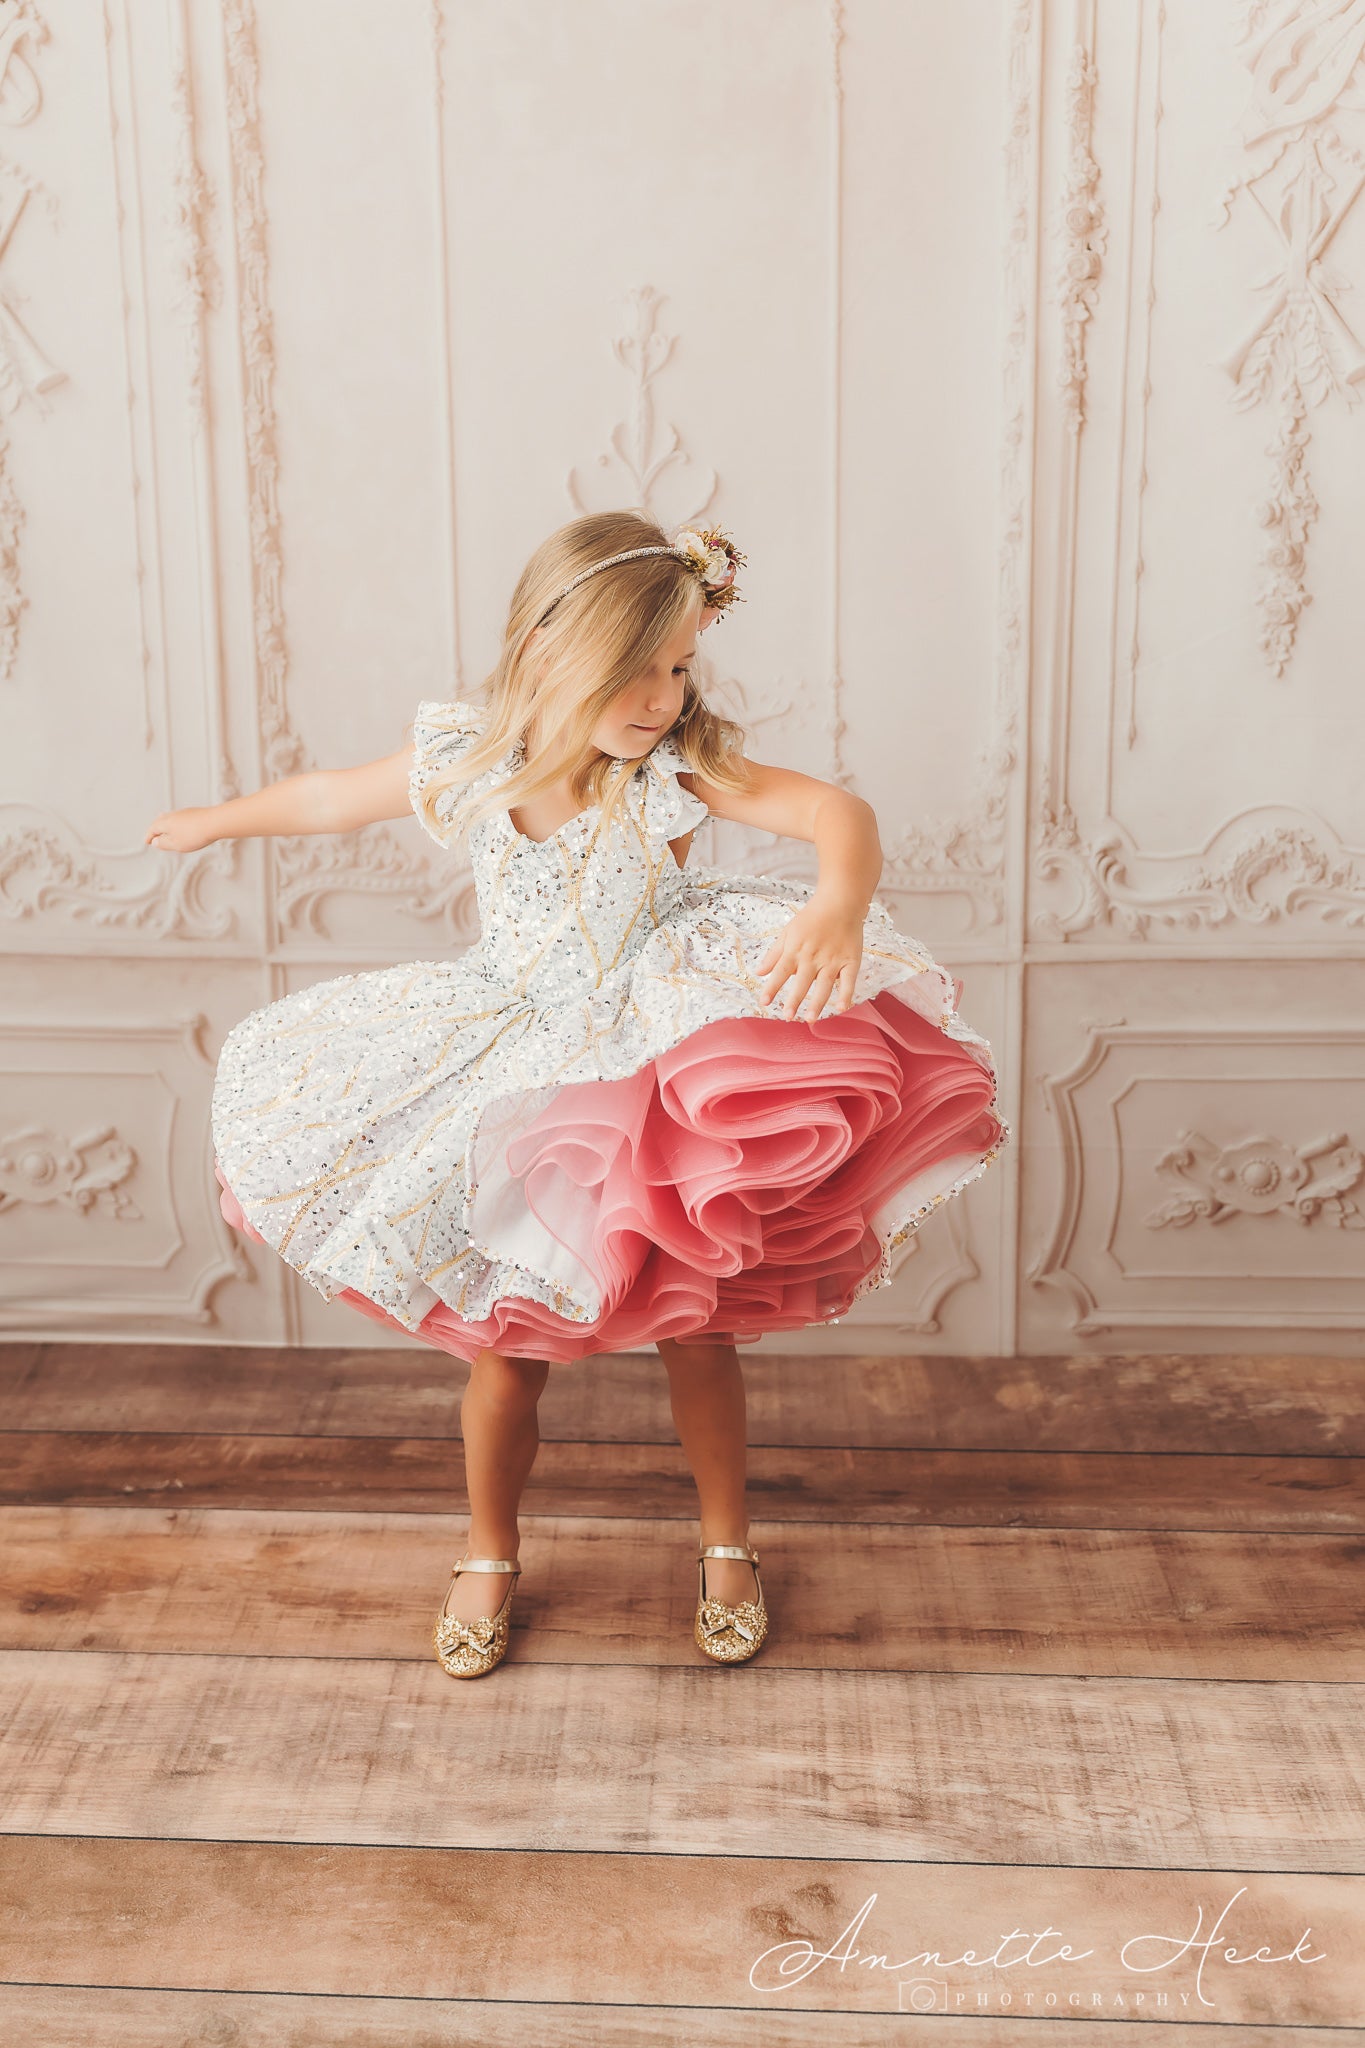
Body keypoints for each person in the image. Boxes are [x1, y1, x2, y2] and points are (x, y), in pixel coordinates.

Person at [146, 510, 1010, 1680]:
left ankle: (726, 1541)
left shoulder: (675, 768)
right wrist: (214, 820)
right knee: (507, 1346)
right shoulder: (469, 757)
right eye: (637, 666)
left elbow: (833, 814)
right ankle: (490, 1549)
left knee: (700, 1332)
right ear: (550, 646)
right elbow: (327, 801)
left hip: (654, 1061)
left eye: (680, 665)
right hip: (516, 1058)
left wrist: (837, 903)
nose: (663, 694)